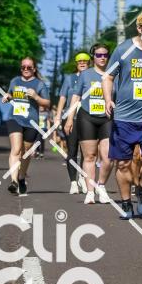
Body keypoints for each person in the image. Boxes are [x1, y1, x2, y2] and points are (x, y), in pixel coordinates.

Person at [103, 11, 142, 219]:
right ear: (139, 29)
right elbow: (108, 77)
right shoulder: (123, 49)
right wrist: (108, 99)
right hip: (124, 116)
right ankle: (126, 202)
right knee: (123, 164)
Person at [66, 43, 114, 204]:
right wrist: (69, 118)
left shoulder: (113, 73)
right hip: (87, 117)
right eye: (99, 55)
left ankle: (102, 185)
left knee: (108, 157)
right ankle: (90, 192)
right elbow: (76, 96)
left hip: (107, 118)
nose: (102, 58)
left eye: (105, 55)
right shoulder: (85, 75)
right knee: (90, 156)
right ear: (93, 57)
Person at [1, 57, 50, 196]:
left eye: (29, 67)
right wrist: (7, 96)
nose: (26, 69)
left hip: (31, 122)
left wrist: (36, 97)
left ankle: (21, 177)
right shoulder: (15, 81)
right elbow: (10, 94)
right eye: (23, 67)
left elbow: (47, 103)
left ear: (34, 69)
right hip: (14, 118)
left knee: (25, 152)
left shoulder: (39, 84)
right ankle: (14, 181)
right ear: (21, 68)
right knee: (16, 149)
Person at [55, 52, 90, 195]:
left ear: (89, 63)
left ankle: (82, 176)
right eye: (79, 61)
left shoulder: (92, 77)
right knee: (72, 150)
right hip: (71, 118)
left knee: (87, 152)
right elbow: (63, 98)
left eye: (85, 61)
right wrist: (58, 116)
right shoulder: (70, 79)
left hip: (87, 118)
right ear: (76, 63)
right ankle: (73, 182)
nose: (82, 63)